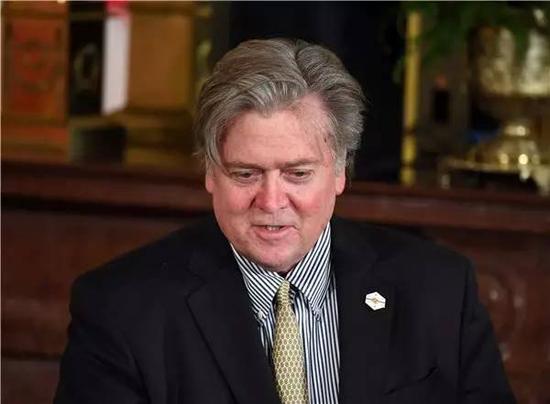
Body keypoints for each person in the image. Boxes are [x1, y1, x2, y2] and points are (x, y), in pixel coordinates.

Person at [55, 38, 515, 404]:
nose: (272, 201)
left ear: (340, 172)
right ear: (210, 173)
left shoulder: (439, 289)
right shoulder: (122, 310)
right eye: (245, 174)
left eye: (297, 174)